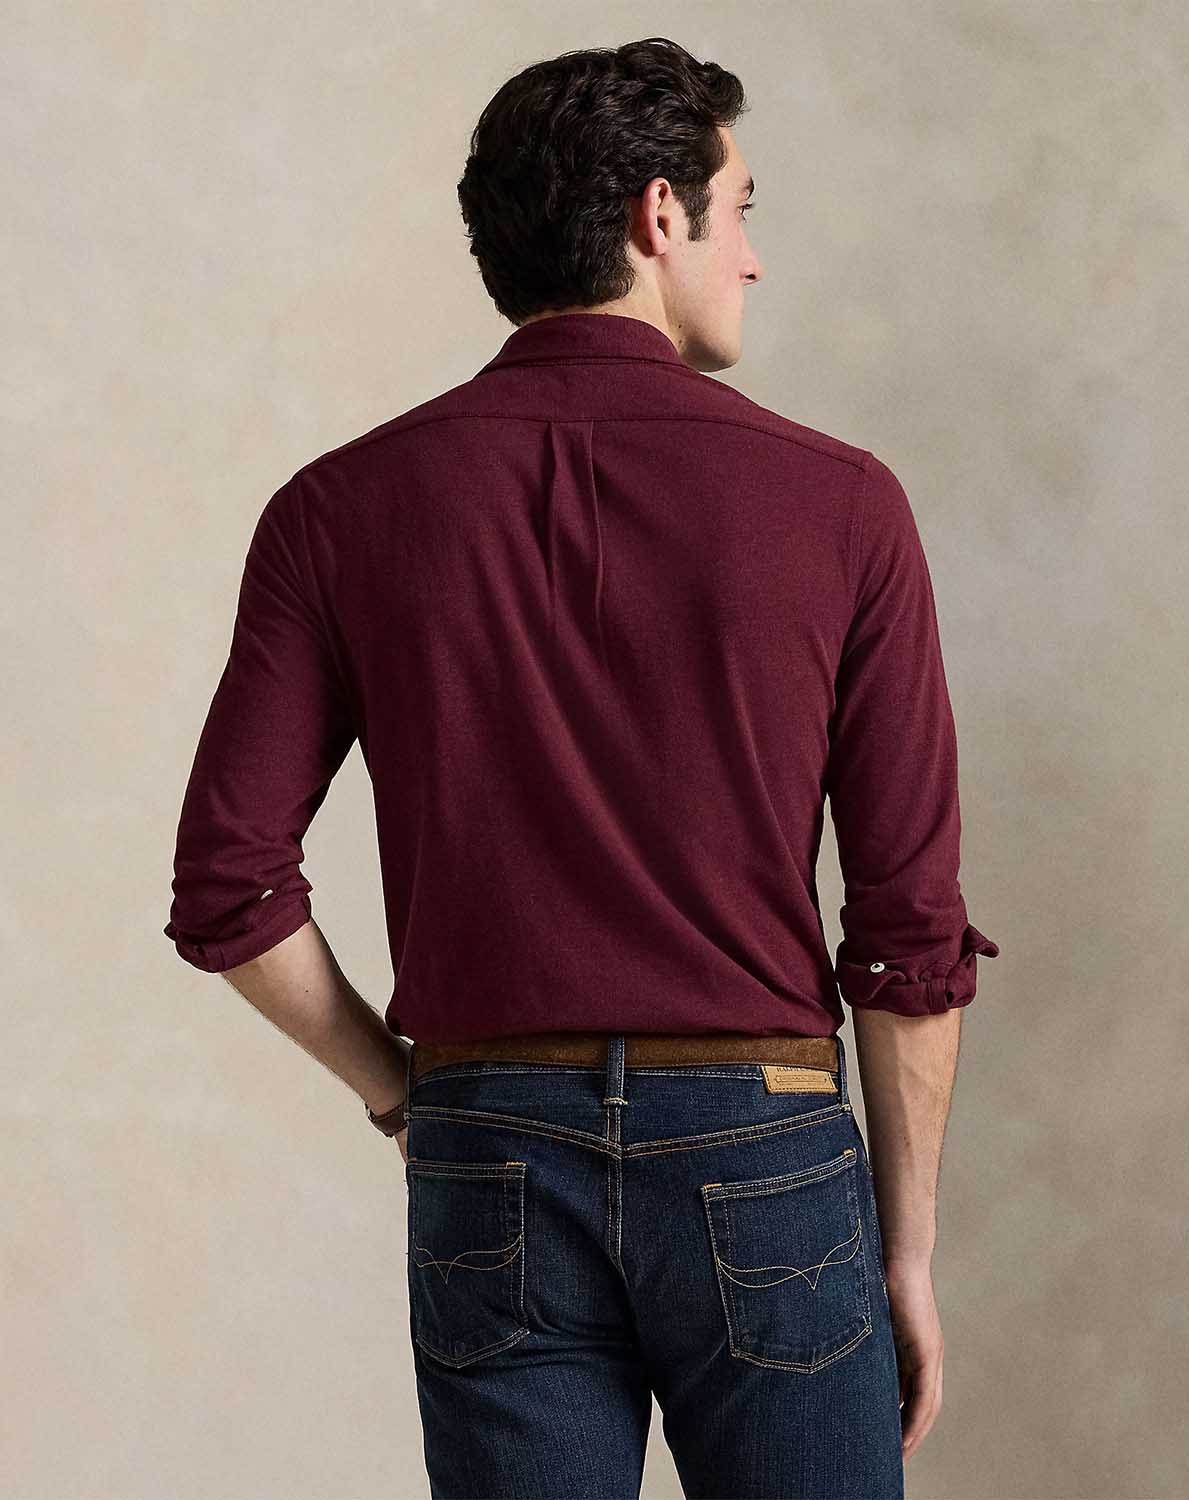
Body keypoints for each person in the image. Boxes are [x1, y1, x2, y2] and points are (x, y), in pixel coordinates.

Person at [162, 35, 999, 1500]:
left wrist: (404, 1096)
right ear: (658, 215)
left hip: (488, 1138)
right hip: (764, 1144)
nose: (753, 257)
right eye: (742, 211)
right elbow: (907, 933)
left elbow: (228, 888)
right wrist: (905, 1250)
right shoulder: (843, 505)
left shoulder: (338, 509)